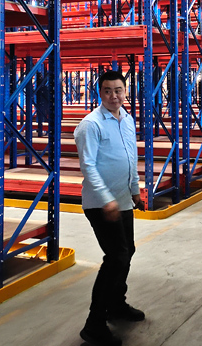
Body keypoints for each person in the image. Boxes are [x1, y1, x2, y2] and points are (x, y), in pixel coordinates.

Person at [74, 70, 145, 346]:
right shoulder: (90, 125)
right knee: (116, 257)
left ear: (125, 92)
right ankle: (94, 324)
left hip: (123, 200)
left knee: (127, 252)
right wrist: (106, 199)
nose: (114, 96)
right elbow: (88, 166)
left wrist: (135, 191)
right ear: (100, 93)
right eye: (107, 91)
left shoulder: (127, 119)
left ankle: (116, 304)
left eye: (118, 90)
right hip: (102, 205)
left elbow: (130, 156)